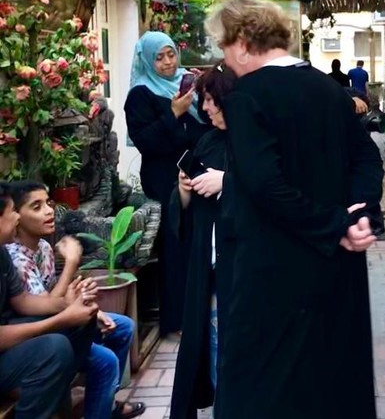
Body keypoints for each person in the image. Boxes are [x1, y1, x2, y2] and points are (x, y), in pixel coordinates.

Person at [205, 0, 384, 418]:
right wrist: (358, 215)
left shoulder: (247, 97)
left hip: (274, 271)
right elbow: (367, 158)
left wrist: (338, 224)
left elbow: (265, 187)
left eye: (224, 47)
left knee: (265, 389)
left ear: (243, 43)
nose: (224, 60)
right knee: (332, 381)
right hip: (336, 268)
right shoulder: (328, 88)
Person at [6, 181, 146, 419]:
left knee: (122, 326)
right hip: (34, 339)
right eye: (37, 207)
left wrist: (85, 303)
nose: (49, 211)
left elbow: (50, 297)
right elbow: (42, 310)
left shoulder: (43, 247)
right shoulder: (15, 257)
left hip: (53, 325)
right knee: (105, 361)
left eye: (48, 203)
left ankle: (104, 403)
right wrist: (71, 263)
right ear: (15, 217)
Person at [124, 31, 210, 336]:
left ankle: (202, 312)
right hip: (164, 179)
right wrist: (173, 113)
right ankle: (178, 320)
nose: (167, 62)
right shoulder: (140, 94)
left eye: (170, 54)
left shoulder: (186, 83)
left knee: (199, 241)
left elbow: (204, 126)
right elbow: (146, 142)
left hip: (197, 173)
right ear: (148, 60)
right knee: (175, 243)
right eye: (158, 58)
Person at [169, 64, 237, 419]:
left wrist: (227, 182)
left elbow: (273, 194)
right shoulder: (207, 141)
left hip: (241, 265)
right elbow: (187, 211)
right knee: (211, 339)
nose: (206, 108)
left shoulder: (254, 143)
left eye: (211, 100)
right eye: (204, 100)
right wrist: (183, 191)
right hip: (207, 264)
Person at [0, 182, 98, 419]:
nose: (16, 217)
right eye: (12, 212)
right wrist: (62, 318)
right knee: (55, 348)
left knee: (84, 321)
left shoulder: (2, 253)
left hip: (9, 341)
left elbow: (23, 300)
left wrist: (70, 304)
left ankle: (57, 398)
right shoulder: (14, 254)